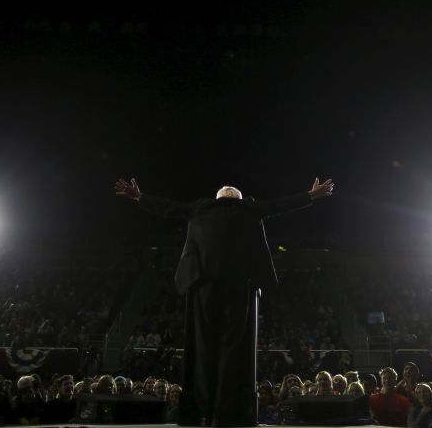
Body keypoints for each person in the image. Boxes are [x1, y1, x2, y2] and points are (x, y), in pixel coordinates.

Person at [115, 176, 334, 427]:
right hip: (222, 287)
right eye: (227, 189)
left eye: (232, 189)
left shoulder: (234, 208)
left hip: (219, 287)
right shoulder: (213, 208)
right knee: (222, 347)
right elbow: (169, 207)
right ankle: (214, 409)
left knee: (221, 347)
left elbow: (278, 206)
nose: (229, 187)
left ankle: (219, 410)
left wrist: (310, 196)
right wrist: (140, 197)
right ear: (221, 197)